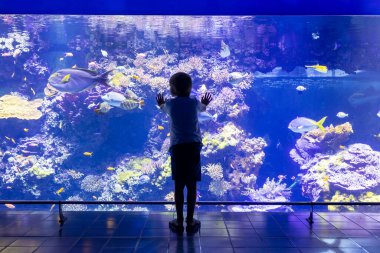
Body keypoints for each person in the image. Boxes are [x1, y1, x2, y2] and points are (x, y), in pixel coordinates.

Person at [156, 72, 212, 234]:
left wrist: (160, 103)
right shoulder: (194, 102)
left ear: (172, 89)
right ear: (190, 88)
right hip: (194, 146)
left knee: (179, 185)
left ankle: (179, 221)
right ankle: (190, 220)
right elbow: (202, 108)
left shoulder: (171, 104)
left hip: (178, 147)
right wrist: (205, 103)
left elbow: (163, 109)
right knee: (192, 184)